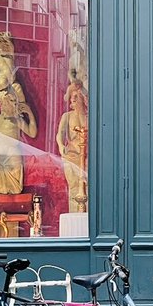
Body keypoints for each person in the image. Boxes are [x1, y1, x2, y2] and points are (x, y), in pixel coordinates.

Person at [0, 82, 38, 194]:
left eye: (13, 102)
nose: (13, 105)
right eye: (3, 103)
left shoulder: (16, 121)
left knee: (15, 188)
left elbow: (32, 133)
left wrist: (30, 114)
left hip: (13, 154)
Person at [56, 82, 89, 213]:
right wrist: (60, 145)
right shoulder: (67, 116)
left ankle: (89, 217)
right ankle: (75, 215)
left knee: (88, 186)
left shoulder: (89, 117)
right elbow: (60, 134)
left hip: (87, 157)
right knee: (74, 186)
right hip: (71, 155)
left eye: (76, 96)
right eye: (71, 97)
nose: (73, 99)